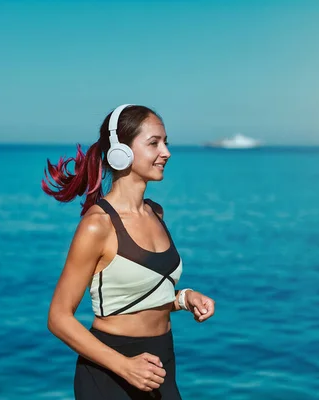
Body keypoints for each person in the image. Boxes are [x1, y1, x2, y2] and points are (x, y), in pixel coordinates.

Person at [42, 104, 215, 399]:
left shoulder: (156, 214)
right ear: (120, 152)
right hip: (110, 374)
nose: (166, 152)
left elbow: (134, 298)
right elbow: (58, 317)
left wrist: (184, 299)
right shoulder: (97, 226)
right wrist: (124, 366)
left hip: (161, 365)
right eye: (154, 143)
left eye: (166, 142)